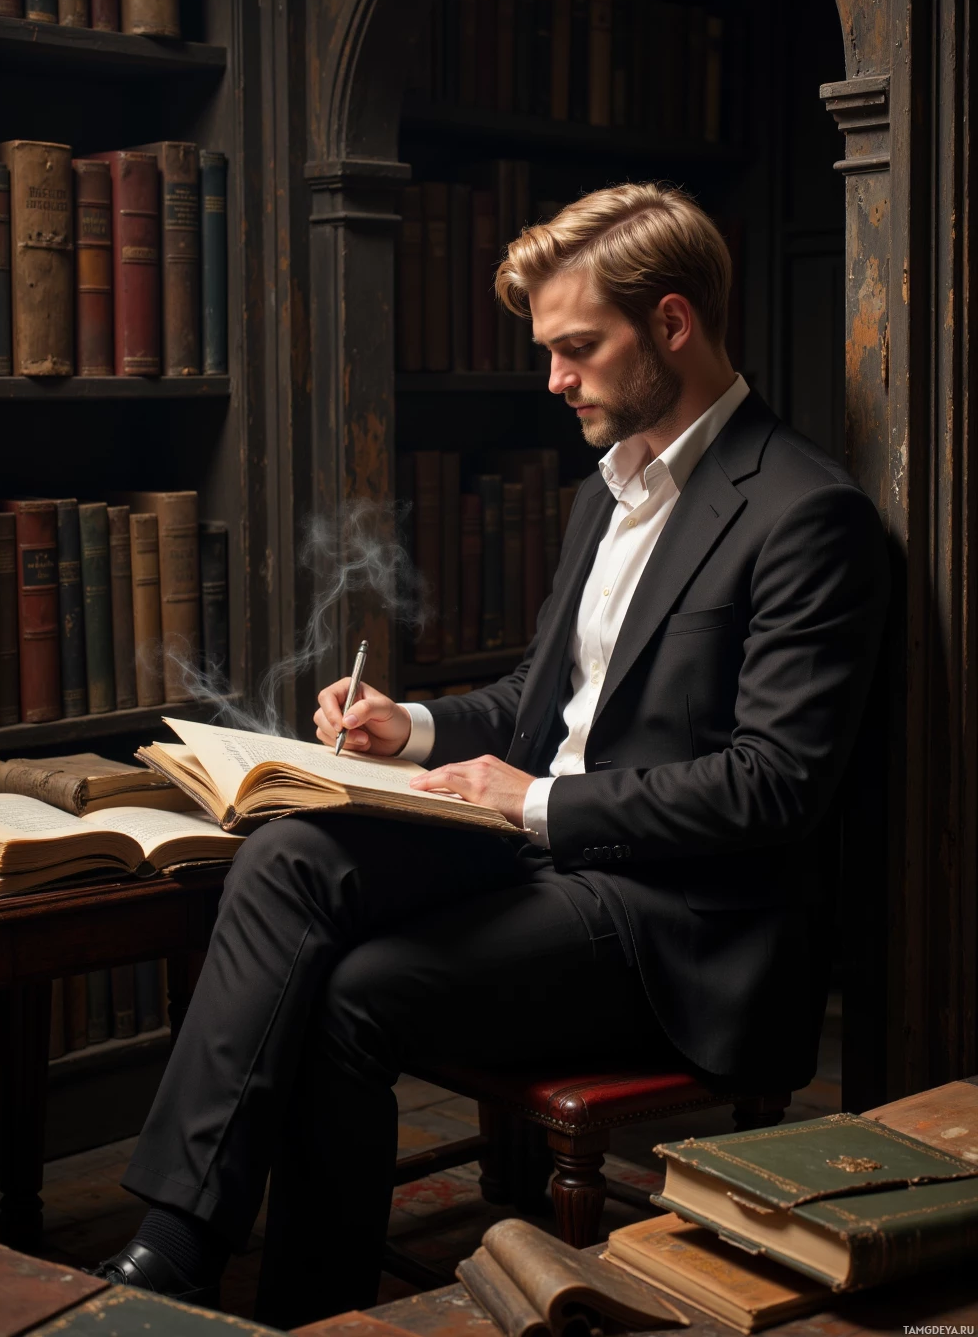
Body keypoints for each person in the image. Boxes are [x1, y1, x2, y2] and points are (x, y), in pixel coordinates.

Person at [95, 183, 889, 1326]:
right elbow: (544, 700)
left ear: (672, 324)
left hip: (677, 923)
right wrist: (405, 728)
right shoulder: (606, 493)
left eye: (577, 348)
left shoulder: (806, 512)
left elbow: (777, 786)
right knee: (284, 856)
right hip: (548, 861)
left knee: (350, 994)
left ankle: (301, 1309)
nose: (555, 379)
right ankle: (175, 1248)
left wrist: (536, 806)